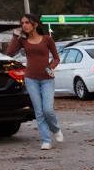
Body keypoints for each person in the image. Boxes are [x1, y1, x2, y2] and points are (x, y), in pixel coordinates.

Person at [6, 13, 62, 151]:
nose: (24, 25)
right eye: (22, 23)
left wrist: (50, 67)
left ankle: (55, 129)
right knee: (39, 111)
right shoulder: (22, 41)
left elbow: (56, 58)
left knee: (48, 109)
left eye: (27, 22)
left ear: (34, 24)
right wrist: (15, 36)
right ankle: (46, 140)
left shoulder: (47, 39)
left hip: (47, 79)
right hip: (31, 79)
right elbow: (9, 53)